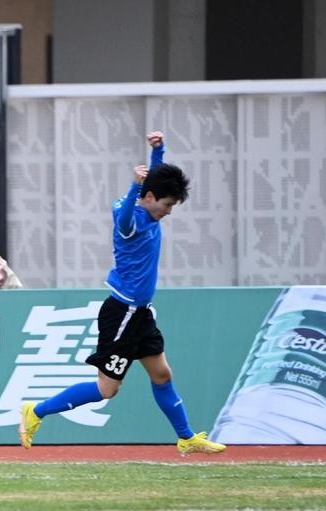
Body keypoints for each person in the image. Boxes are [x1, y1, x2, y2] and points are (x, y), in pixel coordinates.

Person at [18, 131, 226, 456]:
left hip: (140, 313)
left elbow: (152, 182)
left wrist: (158, 151)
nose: (169, 211)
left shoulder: (148, 204)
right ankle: (36, 411)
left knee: (162, 374)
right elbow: (127, 216)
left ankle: (186, 437)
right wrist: (132, 186)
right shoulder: (131, 219)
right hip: (122, 315)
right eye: (167, 205)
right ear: (150, 197)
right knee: (106, 389)